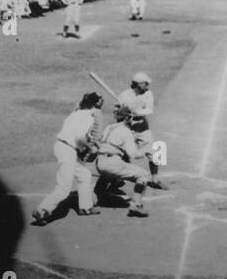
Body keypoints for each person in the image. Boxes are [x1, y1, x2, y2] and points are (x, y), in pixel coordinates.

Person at [31, 93, 104, 225]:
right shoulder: (88, 118)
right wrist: (90, 147)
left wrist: (86, 144)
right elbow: (79, 137)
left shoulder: (76, 113)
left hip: (63, 147)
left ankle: (86, 207)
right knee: (64, 187)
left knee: (84, 174)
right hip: (67, 150)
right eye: (98, 105)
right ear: (93, 106)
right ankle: (42, 210)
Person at [93, 103, 150, 217]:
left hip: (100, 162)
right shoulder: (126, 131)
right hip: (112, 163)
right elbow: (133, 154)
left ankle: (96, 196)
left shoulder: (110, 127)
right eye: (131, 117)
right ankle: (136, 205)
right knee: (143, 175)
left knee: (110, 171)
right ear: (127, 118)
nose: (133, 120)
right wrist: (144, 151)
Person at [117, 72, 165, 189]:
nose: (148, 87)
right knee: (122, 155)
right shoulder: (124, 96)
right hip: (128, 129)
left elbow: (150, 109)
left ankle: (155, 178)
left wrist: (136, 111)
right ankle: (117, 181)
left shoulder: (148, 94)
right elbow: (117, 115)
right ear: (138, 84)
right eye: (145, 84)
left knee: (154, 153)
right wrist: (124, 113)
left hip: (142, 127)